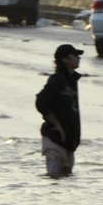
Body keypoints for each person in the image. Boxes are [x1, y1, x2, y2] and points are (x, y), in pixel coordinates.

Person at [37, 43, 83, 178]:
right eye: (74, 56)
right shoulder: (57, 80)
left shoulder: (72, 80)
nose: (78, 58)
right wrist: (56, 125)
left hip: (68, 143)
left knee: (67, 183)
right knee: (54, 179)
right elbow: (41, 102)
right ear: (65, 60)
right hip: (54, 140)